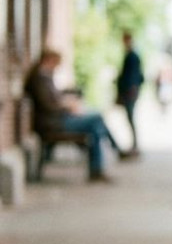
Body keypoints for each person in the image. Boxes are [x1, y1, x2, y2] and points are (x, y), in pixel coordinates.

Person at [24, 49, 135, 182]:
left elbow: (53, 99)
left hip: (57, 119)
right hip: (53, 123)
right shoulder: (39, 78)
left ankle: (99, 167)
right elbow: (49, 105)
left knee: (95, 128)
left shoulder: (45, 76)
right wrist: (67, 105)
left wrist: (67, 100)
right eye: (56, 64)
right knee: (97, 119)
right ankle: (109, 156)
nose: (56, 68)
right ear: (49, 60)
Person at [115, 31, 143, 154]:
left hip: (130, 91)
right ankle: (134, 144)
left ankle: (135, 145)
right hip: (129, 91)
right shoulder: (130, 55)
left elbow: (136, 76)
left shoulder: (132, 56)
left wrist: (132, 88)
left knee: (130, 117)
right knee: (129, 117)